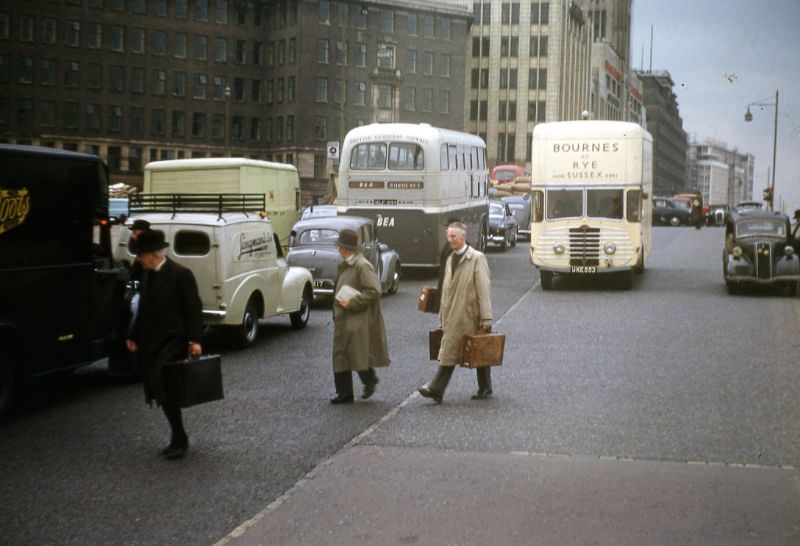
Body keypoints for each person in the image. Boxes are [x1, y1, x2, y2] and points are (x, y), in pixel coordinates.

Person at [125, 229, 204, 459]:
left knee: (162, 384)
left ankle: (180, 439)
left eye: (141, 255)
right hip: (152, 340)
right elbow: (143, 309)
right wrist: (133, 335)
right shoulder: (148, 274)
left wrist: (195, 341)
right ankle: (178, 437)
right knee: (161, 389)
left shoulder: (181, 274)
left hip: (174, 340)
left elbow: (193, 310)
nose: (138, 260)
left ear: (153, 254)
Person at [418, 221, 493, 403]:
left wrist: (486, 317)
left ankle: (437, 389)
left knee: (472, 349)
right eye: (448, 236)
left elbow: (484, 288)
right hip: (452, 315)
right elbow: (446, 289)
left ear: (462, 237)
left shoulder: (477, 258)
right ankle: (484, 387)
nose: (450, 240)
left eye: (453, 236)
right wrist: (442, 313)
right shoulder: (451, 258)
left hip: (469, 314)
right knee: (456, 350)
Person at [330, 228, 390, 404]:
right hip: (343, 316)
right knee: (342, 353)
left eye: (339, 246)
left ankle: (368, 380)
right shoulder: (347, 263)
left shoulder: (361, 265)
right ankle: (345, 393)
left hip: (356, 317)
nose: (338, 250)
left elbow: (374, 291)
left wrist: (352, 303)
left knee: (353, 353)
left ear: (344, 248)